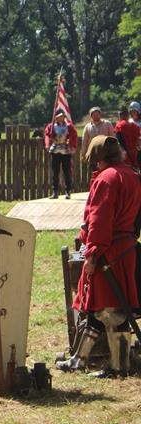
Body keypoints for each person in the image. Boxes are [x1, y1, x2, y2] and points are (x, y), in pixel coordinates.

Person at [56, 135, 141, 377]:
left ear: (97, 158)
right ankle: (79, 360)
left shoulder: (106, 179)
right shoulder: (132, 175)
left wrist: (92, 254)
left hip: (109, 252)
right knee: (101, 308)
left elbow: (99, 220)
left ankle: (120, 366)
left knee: (110, 310)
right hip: (125, 248)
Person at [44, 109, 77, 199]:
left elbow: (74, 135)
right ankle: (55, 192)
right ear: (56, 118)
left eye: (62, 117)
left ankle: (68, 192)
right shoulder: (51, 126)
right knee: (55, 172)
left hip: (66, 149)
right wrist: (47, 144)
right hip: (55, 149)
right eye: (59, 117)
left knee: (67, 171)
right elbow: (47, 135)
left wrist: (73, 146)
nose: (61, 118)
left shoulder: (69, 126)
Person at [81, 106, 114, 172]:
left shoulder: (107, 124)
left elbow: (112, 137)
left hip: (105, 152)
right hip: (93, 153)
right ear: (91, 116)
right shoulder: (87, 127)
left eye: (97, 114)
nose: (96, 115)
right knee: (94, 171)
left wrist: (113, 151)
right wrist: (84, 153)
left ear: (100, 114)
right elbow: (85, 141)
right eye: (93, 114)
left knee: (106, 170)